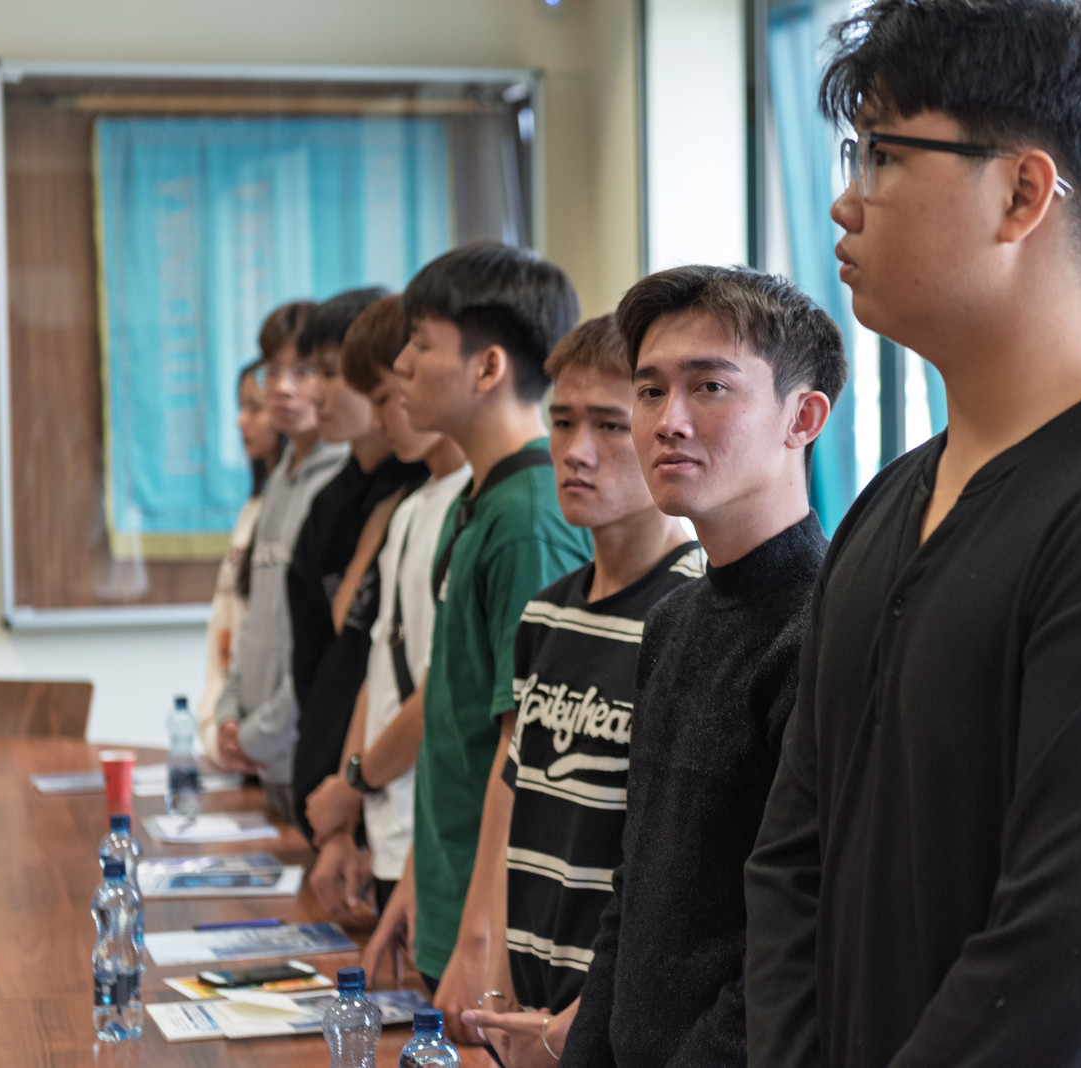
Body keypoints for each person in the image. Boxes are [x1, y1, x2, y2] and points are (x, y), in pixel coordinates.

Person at [743, 2, 1081, 1066]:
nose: (844, 201)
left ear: (1021, 193)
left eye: (882, 157)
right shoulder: (887, 501)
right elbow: (790, 858)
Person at [553, 265, 845, 1067]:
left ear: (803, 417)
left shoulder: (827, 628)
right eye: (650, 391)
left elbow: (801, 933)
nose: (667, 421)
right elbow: (637, 884)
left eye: (709, 387)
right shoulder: (673, 619)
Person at [360, 243, 590, 1060]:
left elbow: (522, 746)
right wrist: (420, 883)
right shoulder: (481, 502)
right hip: (450, 892)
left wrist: (479, 936)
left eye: (421, 343)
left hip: (493, 929)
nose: (401, 364)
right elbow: (456, 708)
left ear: (488, 366)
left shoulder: (529, 519)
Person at [455, 314, 704, 1067]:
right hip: (531, 1005)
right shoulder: (545, 614)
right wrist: (500, 988)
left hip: (616, 1018)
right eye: (562, 422)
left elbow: (677, 864)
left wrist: (590, 1019)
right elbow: (519, 798)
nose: (576, 452)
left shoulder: (690, 614)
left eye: (609, 425)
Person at [304, 293, 472, 926]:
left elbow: (443, 693)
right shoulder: (411, 508)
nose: (377, 420)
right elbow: (378, 670)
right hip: (388, 824)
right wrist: (349, 804)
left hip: (434, 832)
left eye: (386, 396)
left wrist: (354, 783)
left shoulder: (476, 507)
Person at [287, 286, 430, 838]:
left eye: (330, 373)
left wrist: (352, 790)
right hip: (331, 790)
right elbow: (315, 663)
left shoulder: (423, 496)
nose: (313, 393)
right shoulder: (329, 503)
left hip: (389, 805)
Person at [215, 300, 349, 821]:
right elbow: (254, 617)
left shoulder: (338, 483)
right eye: (273, 372)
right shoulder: (277, 481)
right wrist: (230, 712)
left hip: (303, 752)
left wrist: (260, 733)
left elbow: (324, 646)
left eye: (304, 371)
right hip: (261, 753)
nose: (284, 388)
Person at [197, 356, 282, 764]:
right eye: (240, 406)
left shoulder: (288, 513)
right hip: (233, 722)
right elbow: (225, 630)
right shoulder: (252, 508)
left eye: (255, 408)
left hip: (267, 738)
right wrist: (218, 724)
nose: (240, 421)